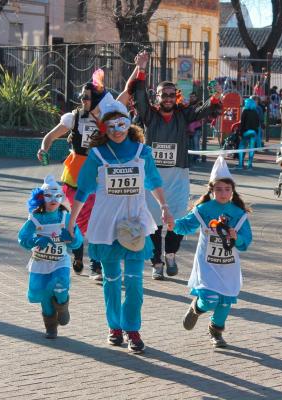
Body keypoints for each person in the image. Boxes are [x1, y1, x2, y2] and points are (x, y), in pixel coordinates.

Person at [68, 97, 174, 354]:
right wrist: (72, 223)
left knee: (135, 282)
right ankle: (114, 326)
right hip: (106, 226)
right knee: (112, 280)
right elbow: (83, 190)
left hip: (136, 224)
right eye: (111, 126)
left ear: (129, 125)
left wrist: (164, 207)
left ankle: (132, 328)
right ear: (104, 128)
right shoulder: (96, 154)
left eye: (122, 124)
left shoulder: (142, 152)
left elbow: (154, 181)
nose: (117, 130)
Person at [132, 51, 222, 280]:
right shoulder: (149, 116)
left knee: (178, 218)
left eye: (172, 94)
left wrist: (215, 98)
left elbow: (203, 111)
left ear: (177, 96)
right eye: (164, 95)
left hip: (178, 175)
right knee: (152, 221)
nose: (169, 98)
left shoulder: (183, 115)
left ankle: (171, 255)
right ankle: (157, 263)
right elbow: (139, 98)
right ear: (158, 97)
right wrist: (141, 69)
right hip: (152, 177)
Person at [174, 156, 252, 347]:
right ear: (211, 190)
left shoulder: (239, 213)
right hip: (207, 264)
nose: (223, 193)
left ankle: (216, 331)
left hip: (228, 265)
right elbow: (185, 226)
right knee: (209, 300)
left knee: (225, 302)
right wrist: (171, 224)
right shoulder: (204, 209)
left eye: (227, 189)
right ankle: (197, 308)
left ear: (232, 191)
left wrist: (237, 237)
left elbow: (246, 241)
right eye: (218, 189)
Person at [38, 82, 107, 280]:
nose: (83, 100)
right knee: (76, 220)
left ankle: (96, 265)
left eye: (87, 97)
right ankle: (77, 253)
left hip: (97, 175)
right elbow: (50, 136)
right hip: (74, 177)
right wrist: (44, 148)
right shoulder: (74, 117)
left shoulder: (107, 117)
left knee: (95, 222)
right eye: (82, 97)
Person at [18, 175, 83, 339]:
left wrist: (71, 239)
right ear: (41, 197)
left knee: (60, 285)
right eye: (49, 196)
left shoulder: (65, 216)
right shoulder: (35, 218)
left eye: (58, 196)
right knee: (43, 293)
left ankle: (63, 306)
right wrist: (35, 240)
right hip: (40, 262)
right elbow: (23, 238)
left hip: (60, 261)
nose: (54, 200)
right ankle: (50, 326)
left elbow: (77, 241)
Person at [237, 98, 260, 170]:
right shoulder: (255, 112)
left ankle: (240, 164)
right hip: (254, 132)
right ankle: (250, 165)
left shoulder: (245, 111)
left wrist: (240, 134)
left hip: (246, 132)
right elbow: (258, 123)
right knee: (251, 149)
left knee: (241, 146)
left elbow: (242, 123)